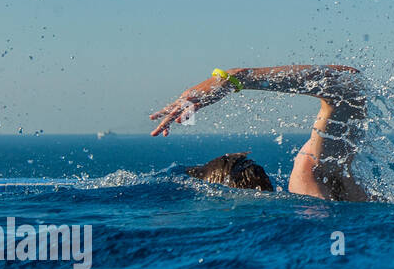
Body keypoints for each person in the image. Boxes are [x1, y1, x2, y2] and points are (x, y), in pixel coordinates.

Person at [150, 64, 371, 201]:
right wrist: (235, 79)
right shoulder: (310, 176)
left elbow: (349, 84)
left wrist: (236, 78)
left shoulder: (308, 179)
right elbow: (349, 86)